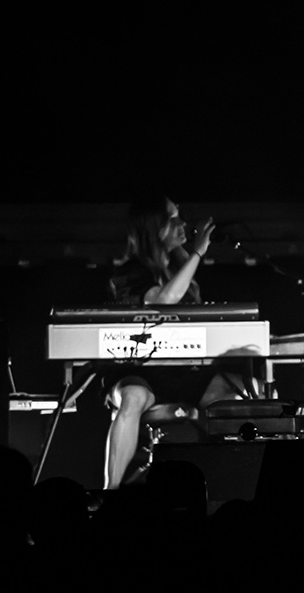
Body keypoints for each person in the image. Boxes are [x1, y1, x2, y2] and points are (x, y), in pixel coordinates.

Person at [100, 193, 252, 489]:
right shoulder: (130, 273)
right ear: (155, 228)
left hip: (187, 374)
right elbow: (164, 301)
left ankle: (228, 485)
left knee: (243, 392)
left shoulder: (181, 271)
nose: (183, 223)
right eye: (173, 219)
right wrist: (197, 253)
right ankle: (111, 492)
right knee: (133, 397)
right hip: (140, 373)